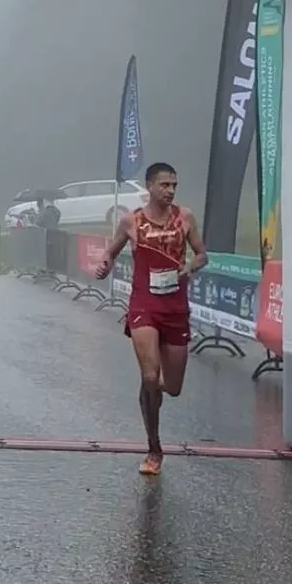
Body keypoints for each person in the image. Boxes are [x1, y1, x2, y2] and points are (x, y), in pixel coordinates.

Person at [96, 161, 206, 476]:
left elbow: (202, 254)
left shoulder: (185, 218)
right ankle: (154, 448)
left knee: (172, 387)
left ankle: (152, 390)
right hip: (144, 304)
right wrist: (104, 264)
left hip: (175, 307)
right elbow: (111, 251)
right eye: (164, 185)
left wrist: (190, 266)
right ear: (150, 187)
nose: (170, 191)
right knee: (149, 376)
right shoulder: (131, 221)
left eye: (174, 186)